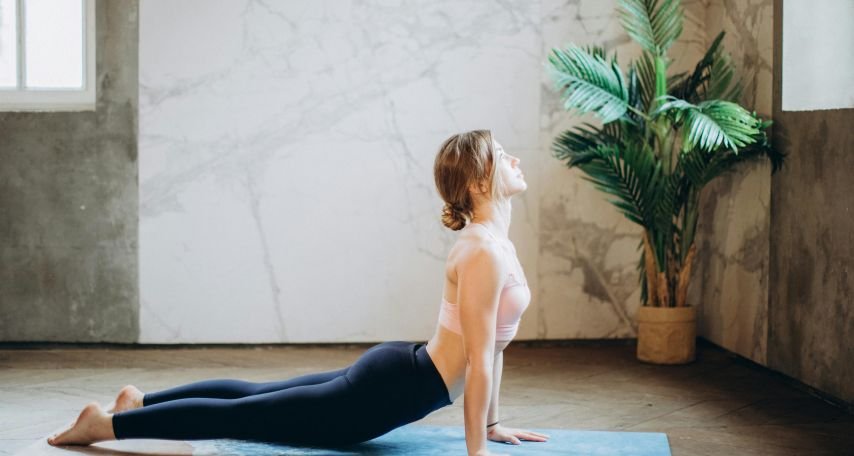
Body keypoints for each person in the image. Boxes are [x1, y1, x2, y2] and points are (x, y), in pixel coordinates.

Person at [47, 129, 549, 456]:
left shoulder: (494, 244)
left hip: (403, 372)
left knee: (259, 395)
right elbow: (478, 362)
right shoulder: (482, 251)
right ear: (481, 179)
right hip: (393, 389)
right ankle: (105, 426)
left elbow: (493, 348)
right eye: (505, 157)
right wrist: (477, 455)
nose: (516, 159)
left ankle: (141, 400)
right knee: (249, 413)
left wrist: (492, 425)